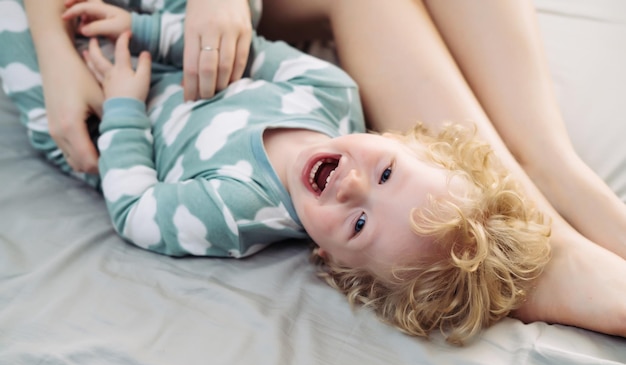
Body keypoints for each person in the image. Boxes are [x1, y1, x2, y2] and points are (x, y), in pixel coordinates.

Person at [2, 0, 625, 344]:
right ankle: (547, 208)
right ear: (397, 136)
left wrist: (124, 111)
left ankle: (550, 175)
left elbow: (138, 207)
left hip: (136, 93)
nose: (352, 184)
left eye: (357, 221)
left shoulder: (234, 207)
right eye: (380, 175)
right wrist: (68, 40)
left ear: (334, 262)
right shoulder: (330, 99)